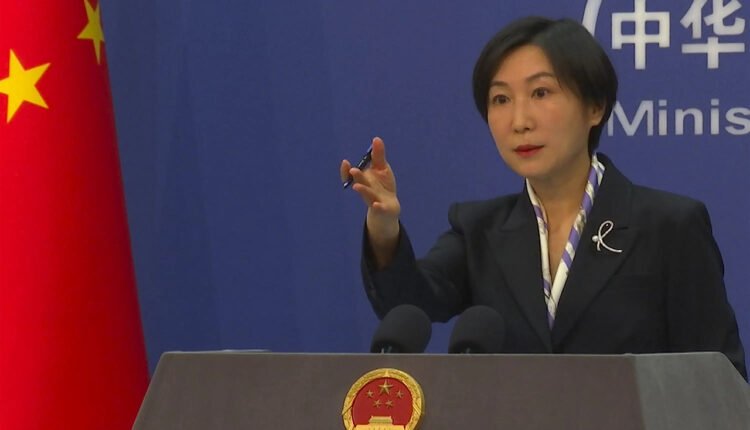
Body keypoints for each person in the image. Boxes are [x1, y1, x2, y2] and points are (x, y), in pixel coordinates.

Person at [340, 16, 747, 379]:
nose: (520, 121)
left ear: (595, 107)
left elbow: (720, 381)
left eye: (541, 93)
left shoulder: (669, 226)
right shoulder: (479, 229)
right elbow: (410, 305)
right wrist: (384, 228)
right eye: (501, 99)